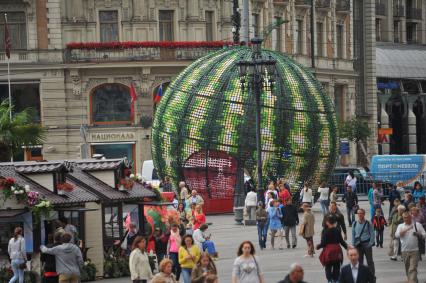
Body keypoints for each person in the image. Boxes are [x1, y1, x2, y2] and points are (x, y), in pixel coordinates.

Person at [395, 211, 426, 283]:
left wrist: (419, 234)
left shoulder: (417, 225)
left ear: (410, 217)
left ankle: (412, 281)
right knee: (408, 269)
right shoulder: (400, 226)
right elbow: (397, 235)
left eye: (407, 217)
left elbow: (424, 234)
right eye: (404, 218)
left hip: (415, 250)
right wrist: (407, 229)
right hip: (404, 251)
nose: (405, 219)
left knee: (413, 268)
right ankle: (413, 280)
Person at [316, 215, 348, 283]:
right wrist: (347, 247)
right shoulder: (337, 230)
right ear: (335, 222)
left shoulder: (325, 231)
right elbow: (341, 241)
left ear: (327, 222)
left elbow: (323, 243)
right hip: (337, 250)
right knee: (337, 266)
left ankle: (330, 280)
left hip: (329, 252)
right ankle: (336, 280)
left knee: (328, 267)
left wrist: (318, 246)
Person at [352, 208, 375, 277]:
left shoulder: (368, 223)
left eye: (361, 213)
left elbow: (372, 233)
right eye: (358, 213)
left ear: (364, 214)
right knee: (359, 262)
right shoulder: (354, 223)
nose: (360, 215)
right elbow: (353, 234)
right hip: (358, 245)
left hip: (367, 244)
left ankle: (371, 275)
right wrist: (353, 244)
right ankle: (361, 276)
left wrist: (370, 243)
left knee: (370, 261)